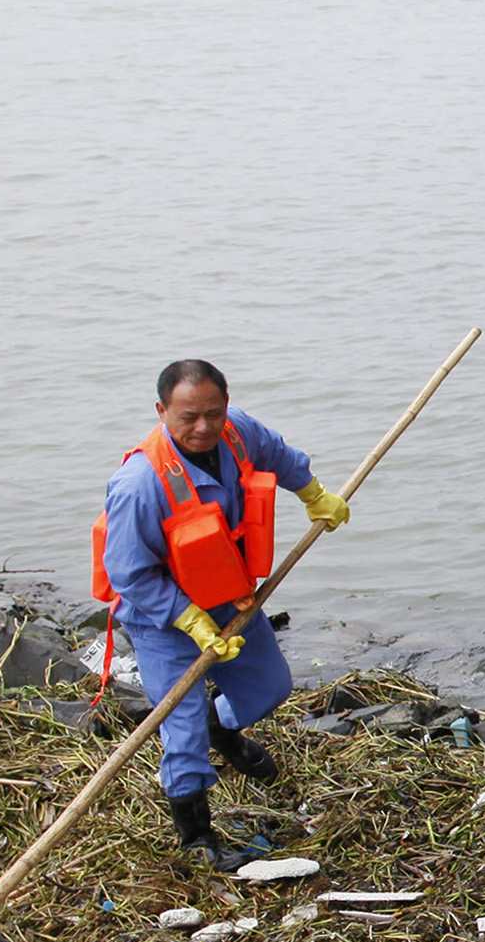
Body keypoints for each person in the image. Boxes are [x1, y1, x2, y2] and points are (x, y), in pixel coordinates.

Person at [93, 358, 349, 870]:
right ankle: (196, 837)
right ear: (162, 411)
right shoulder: (140, 484)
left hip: (230, 598)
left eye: (213, 413)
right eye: (189, 417)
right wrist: (188, 620)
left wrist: (313, 494)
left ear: (226, 405)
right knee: (180, 730)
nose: (204, 428)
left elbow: (278, 454)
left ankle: (222, 727)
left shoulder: (236, 434)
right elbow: (128, 573)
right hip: (164, 621)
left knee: (270, 688)